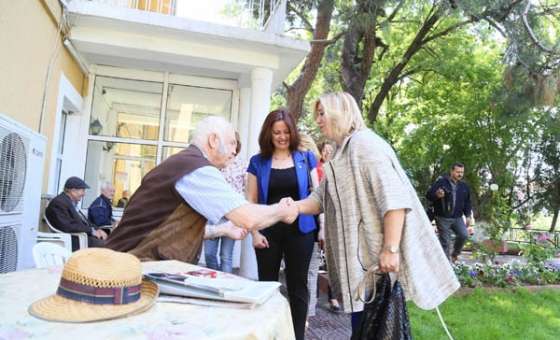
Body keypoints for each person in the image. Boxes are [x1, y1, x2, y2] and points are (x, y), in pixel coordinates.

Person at [285, 92, 459, 335]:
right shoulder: (342, 152)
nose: (318, 120)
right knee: (365, 329)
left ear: (341, 112)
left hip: (375, 265)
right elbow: (320, 198)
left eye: (323, 113)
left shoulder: (365, 145)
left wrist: (390, 249)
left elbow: (395, 201)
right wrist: (294, 207)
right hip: (363, 268)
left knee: (373, 328)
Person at [105, 116, 298, 263]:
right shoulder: (197, 169)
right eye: (232, 143)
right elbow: (248, 217)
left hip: (131, 265)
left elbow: (173, 229)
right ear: (214, 140)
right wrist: (283, 210)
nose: (234, 151)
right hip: (127, 270)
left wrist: (224, 230)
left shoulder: (186, 164)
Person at [247, 109, 318, 340]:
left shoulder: (305, 158)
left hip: (301, 232)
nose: (282, 136)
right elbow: (251, 201)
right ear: (269, 134)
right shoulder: (257, 162)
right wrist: (255, 233)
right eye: (276, 132)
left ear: (292, 132)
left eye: (286, 131)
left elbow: (316, 197)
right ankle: (268, 335)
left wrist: (321, 227)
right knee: (267, 287)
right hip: (268, 232)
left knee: (298, 288)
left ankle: (297, 336)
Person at [204, 132, 246, 273]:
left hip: (232, 216)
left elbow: (248, 190)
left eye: (233, 143)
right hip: (213, 214)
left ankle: (226, 287)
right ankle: (215, 282)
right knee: (209, 254)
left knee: (226, 256)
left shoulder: (242, 164)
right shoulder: (213, 163)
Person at [426, 162, 474, 262]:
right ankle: (446, 266)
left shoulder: (464, 186)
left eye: (462, 172)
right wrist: (437, 195)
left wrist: (468, 215)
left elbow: (467, 202)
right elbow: (429, 195)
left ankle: (455, 254)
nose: (460, 174)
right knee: (445, 243)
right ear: (451, 171)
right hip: (442, 217)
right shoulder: (441, 182)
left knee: (463, 235)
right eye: (457, 172)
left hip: (457, 218)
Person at [298, 134, 323, 320]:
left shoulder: (312, 167)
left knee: (307, 273)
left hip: (309, 224)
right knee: (310, 273)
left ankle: (304, 315)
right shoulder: (321, 168)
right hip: (312, 225)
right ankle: (307, 315)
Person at [45, 177, 108, 250]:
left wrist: (97, 229)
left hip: (82, 237)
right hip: (75, 240)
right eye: (83, 190)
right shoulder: (59, 203)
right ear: (73, 191)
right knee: (110, 246)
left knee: (113, 243)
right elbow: (67, 226)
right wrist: (92, 231)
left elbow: (84, 222)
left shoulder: (70, 203)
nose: (84, 194)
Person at [317, 141, 341, 312]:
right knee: (323, 260)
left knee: (333, 261)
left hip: (335, 219)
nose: (328, 153)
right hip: (320, 217)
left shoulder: (338, 169)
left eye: (330, 150)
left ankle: (334, 296)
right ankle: (320, 295)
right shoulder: (317, 168)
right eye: (325, 150)